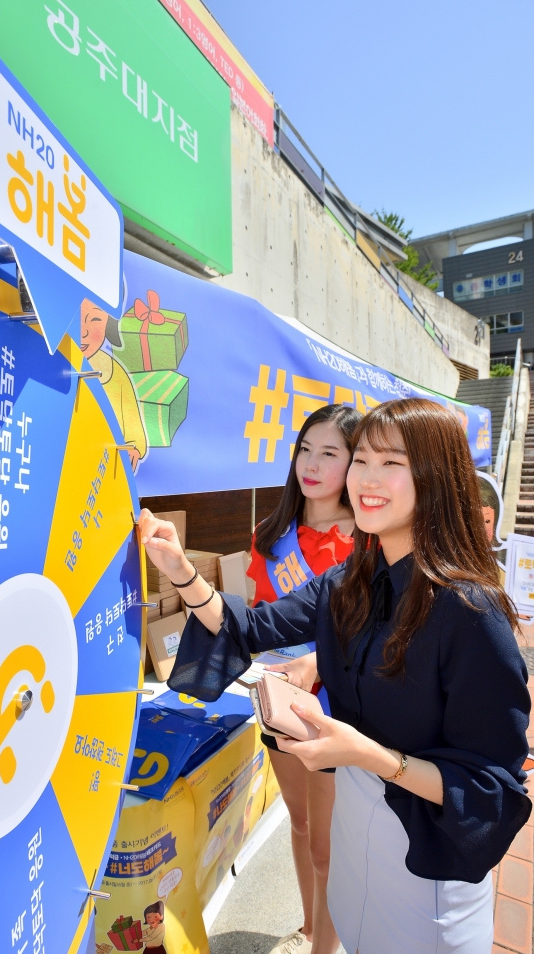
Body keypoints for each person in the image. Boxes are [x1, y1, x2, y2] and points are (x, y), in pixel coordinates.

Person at [139, 398, 531, 954]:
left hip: (425, 863)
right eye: (362, 461)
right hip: (354, 839)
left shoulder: (471, 612)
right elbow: (250, 627)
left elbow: (492, 788)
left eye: (391, 463)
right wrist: (180, 571)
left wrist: (366, 755)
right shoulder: (352, 578)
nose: (367, 479)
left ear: (436, 477)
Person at [247, 404, 362, 954]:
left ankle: (325, 948)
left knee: (326, 847)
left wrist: (317, 661)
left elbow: (368, 630)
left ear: (354, 463)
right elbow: (260, 617)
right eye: (304, 450)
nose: (311, 465)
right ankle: (312, 926)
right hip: (281, 702)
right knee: (296, 824)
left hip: (336, 709)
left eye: (330, 453)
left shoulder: (366, 540)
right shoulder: (271, 535)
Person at [80, 297, 148, 471]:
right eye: (77, 316)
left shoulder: (114, 372)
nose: (83, 332)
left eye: (95, 320)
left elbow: (133, 427)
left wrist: (133, 448)